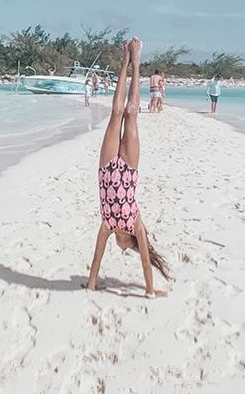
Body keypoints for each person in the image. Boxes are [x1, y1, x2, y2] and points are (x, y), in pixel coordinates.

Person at [86, 38, 171, 299]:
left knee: (116, 114)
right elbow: (146, 263)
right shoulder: (136, 226)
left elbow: (96, 259)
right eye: (125, 247)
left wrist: (91, 285)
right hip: (128, 168)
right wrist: (150, 292)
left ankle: (126, 61)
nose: (120, 247)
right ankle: (135, 62)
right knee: (130, 115)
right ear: (129, 243)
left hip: (107, 167)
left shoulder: (107, 226)